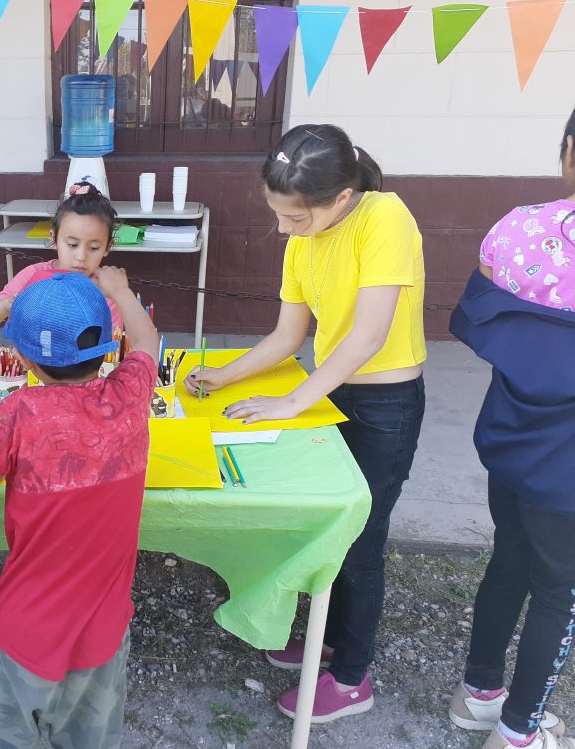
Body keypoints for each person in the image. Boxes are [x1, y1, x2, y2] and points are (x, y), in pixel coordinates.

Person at [184, 124, 426, 723]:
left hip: (385, 404)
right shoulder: (303, 236)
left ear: (340, 199)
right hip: (330, 394)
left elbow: (368, 336)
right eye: (278, 215)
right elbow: (290, 334)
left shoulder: (385, 218)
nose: (284, 229)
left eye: (295, 218)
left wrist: (294, 400)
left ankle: (351, 677)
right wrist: (225, 375)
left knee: (361, 541)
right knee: (324, 527)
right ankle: (326, 639)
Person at [0, 267, 158, 748]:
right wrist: (122, 290)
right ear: (108, 342)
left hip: (24, 631)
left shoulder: (18, 413)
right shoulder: (132, 392)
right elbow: (147, 343)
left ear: (20, 357)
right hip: (103, 635)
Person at [447, 107, 575, 749]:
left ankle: (479, 694)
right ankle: (520, 730)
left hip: (509, 436)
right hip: (568, 468)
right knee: (560, 592)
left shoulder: (515, 230)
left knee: (511, 560)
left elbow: (493, 326)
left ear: (567, 154)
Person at [0, 182, 123, 332]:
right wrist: (7, 305)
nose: (81, 257)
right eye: (72, 244)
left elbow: (112, 347)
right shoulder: (33, 275)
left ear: (108, 247)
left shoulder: (106, 289)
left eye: (93, 248)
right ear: (53, 239)